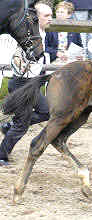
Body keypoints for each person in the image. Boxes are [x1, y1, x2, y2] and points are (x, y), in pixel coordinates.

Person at [0, 3, 53, 166]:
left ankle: (9, 126)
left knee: (47, 112)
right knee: (22, 125)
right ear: (35, 18)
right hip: (22, 84)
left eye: (51, 15)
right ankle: (1, 155)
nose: (50, 19)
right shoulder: (27, 34)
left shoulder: (42, 33)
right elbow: (17, 62)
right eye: (46, 16)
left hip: (31, 83)